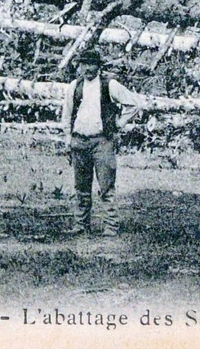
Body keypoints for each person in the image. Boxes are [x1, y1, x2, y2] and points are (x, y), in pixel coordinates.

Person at [61, 49, 146, 238]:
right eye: (84, 64)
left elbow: (134, 104)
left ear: (99, 66)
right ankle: (81, 224)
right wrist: (68, 139)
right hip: (79, 141)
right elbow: (66, 115)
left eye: (92, 64)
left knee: (106, 186)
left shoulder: (110, 85)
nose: (88, 68)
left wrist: (118, 123)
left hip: (102, 141)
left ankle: (111, 226)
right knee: (81, 187)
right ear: (79, 66)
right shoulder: (74, 87)